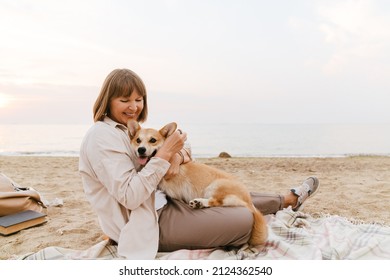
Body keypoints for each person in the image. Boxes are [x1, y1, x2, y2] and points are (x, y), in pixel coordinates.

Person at [79, 68, 319, 259]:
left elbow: (182, 143)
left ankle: (287, 200)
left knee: (235, 190)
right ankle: (280, 204)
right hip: (148, 222)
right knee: (246, 220)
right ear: (108, 101)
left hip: (161, 202)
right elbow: (130, 196)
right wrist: (164, 157)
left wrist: (176, 155)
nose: (134, 107)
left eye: (139, 99)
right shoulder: (102, 137)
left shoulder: (126, 131)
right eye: (124, 100)